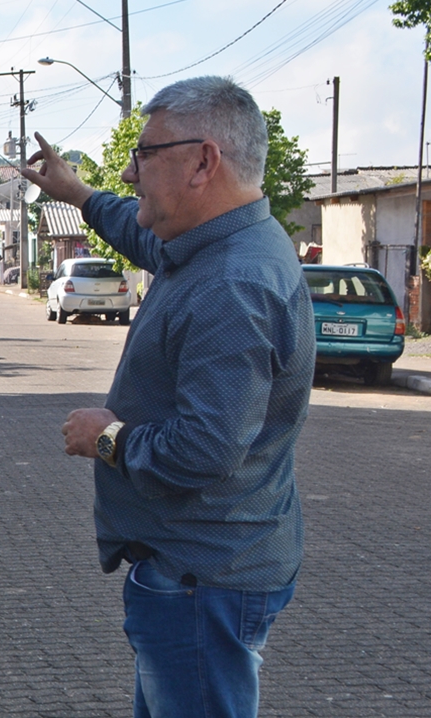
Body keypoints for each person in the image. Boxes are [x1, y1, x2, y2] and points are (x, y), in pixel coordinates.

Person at [21, 76, 315, 718]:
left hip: (201, 580)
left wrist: (105, 436)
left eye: (146, 154)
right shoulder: (218, 244)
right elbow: (141, 232)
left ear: (203, 162)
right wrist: (79, 194)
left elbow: (205, 449)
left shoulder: (232, 283)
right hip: (200, 570)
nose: (130, 172)